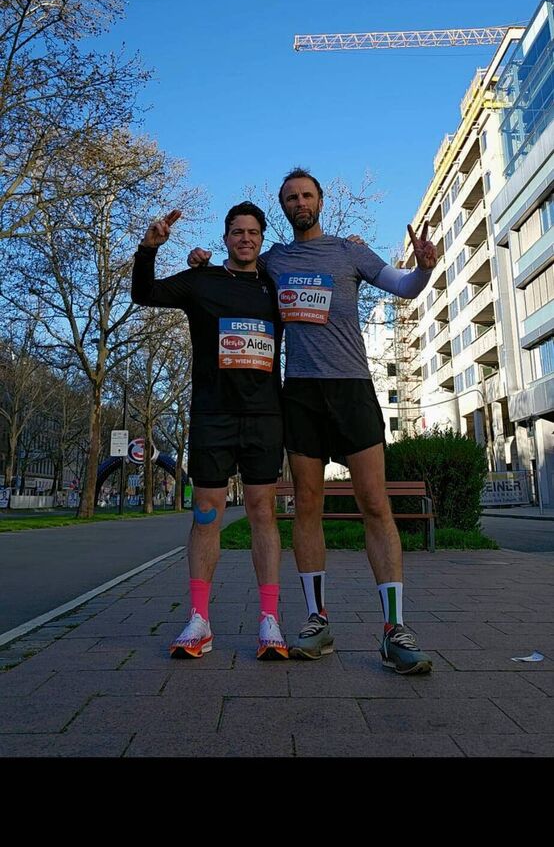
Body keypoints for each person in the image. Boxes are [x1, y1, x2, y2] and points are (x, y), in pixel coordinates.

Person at [188, 169, 437, 675]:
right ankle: (316, 620)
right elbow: (235, 276)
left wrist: (425, 269)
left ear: (320, 201)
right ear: (283, 207)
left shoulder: (349, 252)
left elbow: (402, 286)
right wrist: (201, 263)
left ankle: (394, 629)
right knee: (306, 505)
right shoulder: (275, 260)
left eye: (306, 195)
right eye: (290, 198)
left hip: (351, 390)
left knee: (374, 502)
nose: (299, 202)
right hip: (298, 393)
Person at [132, 201, 288, 662]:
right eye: (237, 232)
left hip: (264, 417)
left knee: (263, 513)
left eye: (253, 232)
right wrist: (148, 248)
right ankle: (199, 620)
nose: (245, 239)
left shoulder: (275, 286)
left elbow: (320, 298)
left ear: (262, 238)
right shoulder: (202, 280)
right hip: (212, 417)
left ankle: (269, 620)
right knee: (206, 513)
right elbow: (144, 294)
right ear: (225, 239)